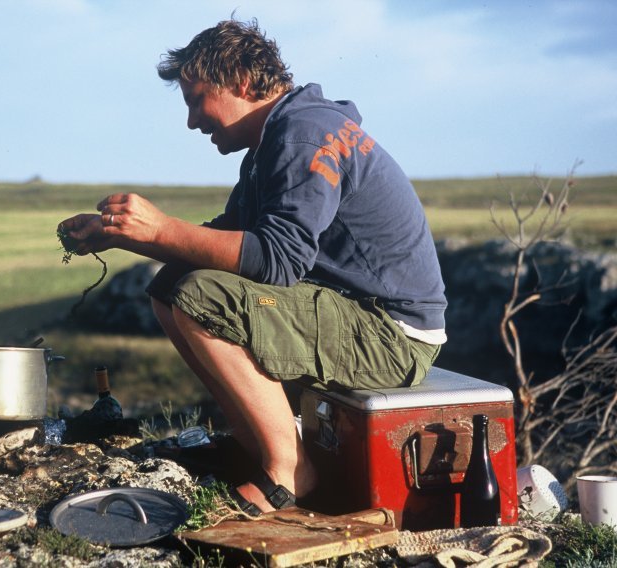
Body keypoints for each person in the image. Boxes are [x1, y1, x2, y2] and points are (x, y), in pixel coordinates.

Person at [58, 18, 447, 515]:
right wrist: (122, 235)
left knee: (200, 295)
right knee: (172, 285)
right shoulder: (281, 138)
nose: (193, 121)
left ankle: (290, 469)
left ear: (240, 81)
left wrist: (159, 229)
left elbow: (278, 260)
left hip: (391, 337)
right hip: (363, 319)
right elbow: (226, 238)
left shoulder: (304, 137)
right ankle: (251, 443)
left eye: (198, 100)